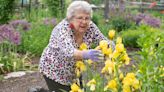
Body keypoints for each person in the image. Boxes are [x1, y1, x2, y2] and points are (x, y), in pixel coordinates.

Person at [39, 1, 114, 92]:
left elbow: (102, 40)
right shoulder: (62, 29)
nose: (84, 21)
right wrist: (86, 54)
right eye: (80, 18)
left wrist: (111, 46)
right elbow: (69, 51)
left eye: (87, 18)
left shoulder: (90, 27)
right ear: (71, 18)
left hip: (75, 71)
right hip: (54, 70)